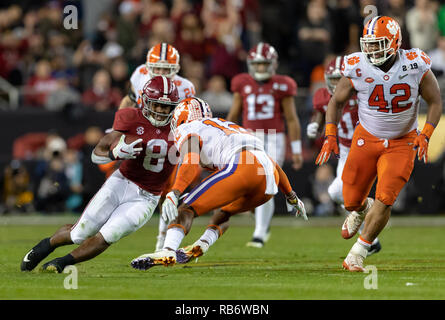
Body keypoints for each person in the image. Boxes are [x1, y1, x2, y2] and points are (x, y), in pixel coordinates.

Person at [315, 16, 442, 271]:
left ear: (395, 42)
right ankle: (364, 208)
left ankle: (358, 252)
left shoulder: (414, 63)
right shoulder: (357, 65)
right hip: (366, 138)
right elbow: (336, 101)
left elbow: (435, 101)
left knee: (386, 197)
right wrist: (330, 134)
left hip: (402, 141)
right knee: (350, 199)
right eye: (369, 44)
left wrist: (426, 133)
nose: (372, 50)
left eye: (378, 44)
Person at [20, 76, 180, 273]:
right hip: (122, 182)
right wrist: (115, 154)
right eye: (157, 105)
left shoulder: (181, 127)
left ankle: (62, 263)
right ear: (146, 101)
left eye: (167, 107)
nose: (162, 111)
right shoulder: (130, 117)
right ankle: (46, 245)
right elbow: (97, 154)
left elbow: (194, 159)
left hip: (148, 197)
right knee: (80, 233)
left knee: (109, 234)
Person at [130, 97, 307, 270]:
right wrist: (291, 196)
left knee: (185, 208)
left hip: (242, 167)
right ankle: (202, 244)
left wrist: (175, 191)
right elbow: (272, 162)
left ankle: (167, 251)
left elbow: (190, 159)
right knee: (224, 211)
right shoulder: (227, 126)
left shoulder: (188, 127)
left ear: (180, 118)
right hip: (269, 181)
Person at [118, 42, 196, 252]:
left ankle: (162, 240)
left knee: (169, 191)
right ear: (148, 66)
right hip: (144, 137)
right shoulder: (139, 74)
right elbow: (129, 101)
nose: (161, 72)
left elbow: (187, 121)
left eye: (166, 69)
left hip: (169, 140)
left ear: (176, 69)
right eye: (157, 68)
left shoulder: (186, 87)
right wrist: (117, 129)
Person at [226, 42, 303, 248]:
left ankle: (260, 232)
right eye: (257, 64)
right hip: (248, 136)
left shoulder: (283, 84)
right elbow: (234, 114)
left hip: (273, 137)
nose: (261, 68)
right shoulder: (241, 83)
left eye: (264, 64)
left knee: (267, 180)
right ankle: (258, 217)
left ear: (273, 64)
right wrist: (225, 137)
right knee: (248, 182)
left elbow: (292, 118)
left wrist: (295, 149)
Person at [307, 56, 382, 255]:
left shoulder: (361, 92)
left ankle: (369, 229)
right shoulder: (323, 96)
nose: (336, 84)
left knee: (347, 192)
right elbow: (323, 111)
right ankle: (371, 232)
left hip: (366, 145)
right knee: (336, 193)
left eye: (339, 79)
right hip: (346, 149)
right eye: (332, 79)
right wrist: (316, 124)